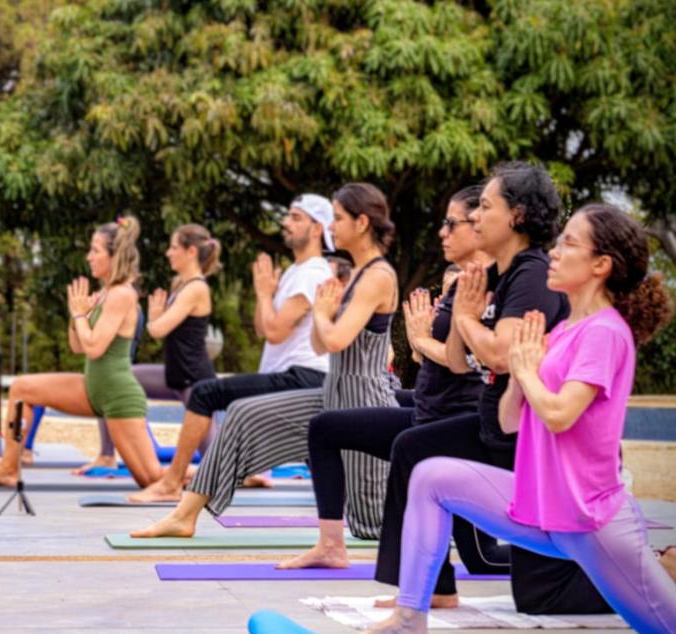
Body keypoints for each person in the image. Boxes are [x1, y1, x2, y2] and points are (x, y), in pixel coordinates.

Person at [367, 204, 676, 634]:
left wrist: (527, 371)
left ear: (600, 265)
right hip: (540, 509)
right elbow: (511, 421)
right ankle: (409, 616)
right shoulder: (564, 330)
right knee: (431, 477)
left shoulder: (605, 332)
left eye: (569, 243)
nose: (555, 252)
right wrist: (516, 369)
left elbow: (560, 415)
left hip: (593, 523)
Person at [374, 162, 609, 614]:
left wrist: (462, 318)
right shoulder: (496, 276)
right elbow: (462, 360)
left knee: (541, 599)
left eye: (484, 207)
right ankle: (435, 587)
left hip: (530, 444)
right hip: (495, 427)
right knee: (412, 449)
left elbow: (501, 354)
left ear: (517, 216)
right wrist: (462, 310)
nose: (474, 218)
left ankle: (651, 571)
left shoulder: (532, 274)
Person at [131, 182, 400, 539]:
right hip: (334, 394)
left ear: (362, 222)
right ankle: (185, 515)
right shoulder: (352, 277)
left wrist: (321, 314)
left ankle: (405, 526)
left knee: (371, 522)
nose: (333, 227)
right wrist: (323, 314)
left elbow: (333, 338)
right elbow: (322, 345)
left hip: (361, 402)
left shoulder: (378, 277)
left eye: (337, 218)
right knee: (242, 413)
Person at [280, 186, 507, 575]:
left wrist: (421, 340)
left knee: (483, 558)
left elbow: (467, 361)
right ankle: (335, 546)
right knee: (326, 430)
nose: (443, 232)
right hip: (429, 409)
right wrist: (422, 342)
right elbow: (435, 355)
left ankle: (577, 560)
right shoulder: (462, 284)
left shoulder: (492, 287)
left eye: (453, 223)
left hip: (456, 419)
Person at [127, 195, 334, 502]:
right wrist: (264, 296)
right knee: (298, 448)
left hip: (305, 378)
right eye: (287, 216)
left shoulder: (314, 273)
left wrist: (264, 295)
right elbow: (264, 329)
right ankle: (227, 473)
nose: (285, 223)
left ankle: (171, 483)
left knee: (205, 394)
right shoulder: (296, 271)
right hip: (290, 375)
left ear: (317, 229)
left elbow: (275, 332)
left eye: (295, 217)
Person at [0, 217, 161, 488]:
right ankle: (8, 468)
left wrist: (81, 315)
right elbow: (77, 345)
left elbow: (95, 348)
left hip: (118, 395)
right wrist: (75, 316)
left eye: (96, 250)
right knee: (22, 389)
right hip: (93, 389)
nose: (89, 256)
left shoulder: (122, 294)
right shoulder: (104, 293)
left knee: (152, 480)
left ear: (114, 255)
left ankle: (214, 477)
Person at [71, 224, 221, 474]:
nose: (168, 253)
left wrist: (154, 318)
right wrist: (157, 318)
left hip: (194, 379)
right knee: (115, 381)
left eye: (174, 247)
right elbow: (166, 330)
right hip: (176, 373)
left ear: (191, 251)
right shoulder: (181, 285)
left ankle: (243, 474)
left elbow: (158, 329)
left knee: (215, 462)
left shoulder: (197, 288)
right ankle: (106, 454)